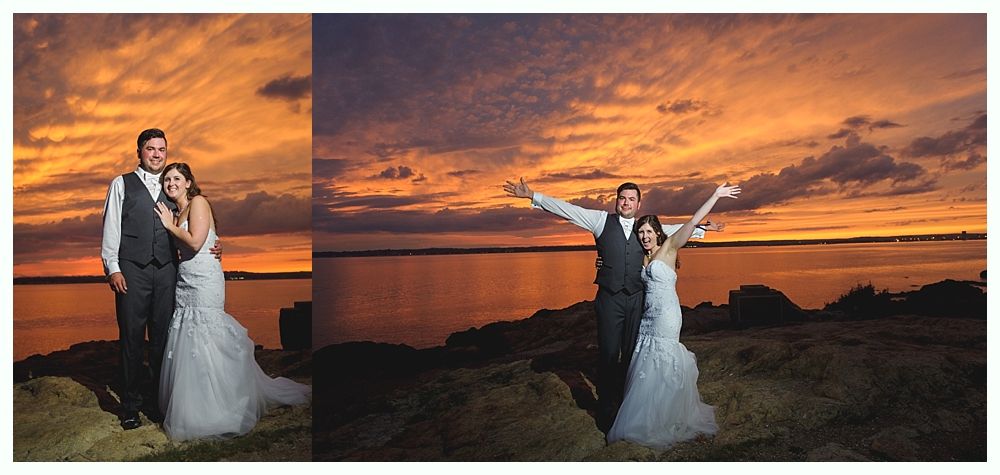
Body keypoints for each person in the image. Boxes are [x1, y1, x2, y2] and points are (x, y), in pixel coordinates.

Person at [502, 177, 722, 431]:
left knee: (633, 354)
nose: (626, 203)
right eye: (622, 198)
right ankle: (606, 409)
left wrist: (703, 229)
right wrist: (534, 196)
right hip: (610, 300)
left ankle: (628, 404)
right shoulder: (599, 221)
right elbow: (569, 210)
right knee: (608, 354)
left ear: (638, 204)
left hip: (638, 300)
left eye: (631, 199)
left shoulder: (644, 229)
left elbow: (670, 230)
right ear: (616, 201)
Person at [153, 162, 310, 441]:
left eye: (176, 178)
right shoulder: (177, 213)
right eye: (167, 179)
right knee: (188, 340)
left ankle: (222, 404)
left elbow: (194, 242)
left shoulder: (199, 202)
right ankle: (194, 404)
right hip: (185, 281)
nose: (171, 183)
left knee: (207, 336)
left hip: (205, 281)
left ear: (189, 183)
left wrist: (168, 225)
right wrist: (172, 224)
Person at [101, 128, 220, 430]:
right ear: (139, 151)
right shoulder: (121, 184)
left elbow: (196, 224)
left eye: (161, 149)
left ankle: (158, 402)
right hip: (131, 271)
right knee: (131, 338)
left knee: (163, 340)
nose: (156, 154)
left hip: (168, 272)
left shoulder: (173, 188)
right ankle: (130, 406)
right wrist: (112, 267)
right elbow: (111, 226)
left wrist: (213, 245)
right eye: (150, 148)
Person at [607, 182, 740, 449]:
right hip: (647, 317)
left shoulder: (669, 249)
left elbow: (692, 222)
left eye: (648, 232)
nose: (644, 236)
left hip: (667, 316)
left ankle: (667, 416)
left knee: (663, 361)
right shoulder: (643, 258)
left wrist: (715, 195)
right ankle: (645, 416)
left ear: (658, 233)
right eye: (640, 232)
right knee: (645, 364)